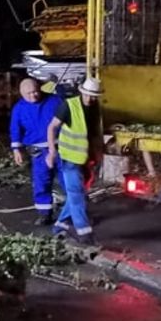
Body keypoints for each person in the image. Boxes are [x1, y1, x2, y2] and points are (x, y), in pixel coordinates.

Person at [46, 77, 104, 245]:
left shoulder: (95, 108)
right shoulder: (69, 106)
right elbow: (52, 127)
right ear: (81, 92)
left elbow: (93, 132)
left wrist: (98, 152)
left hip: (84, 158)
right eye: (88, 95)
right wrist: (51, 152)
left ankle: (61, 224)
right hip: (69, 158)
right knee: (76, 194)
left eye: (94, 96)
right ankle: (84, 232)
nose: (90, 99)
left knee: (77, 193)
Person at [10, 78, 63, 225]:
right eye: (29, 93)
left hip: (60, 148)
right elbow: (15, 129)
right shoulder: (19, 109)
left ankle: (73, 212)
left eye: (35, 92)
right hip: (39, 152)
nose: (33, 95)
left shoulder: (55, 101)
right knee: (41, 183)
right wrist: (16, 150)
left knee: (67, 181)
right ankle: (45, 214)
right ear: (22, 94)